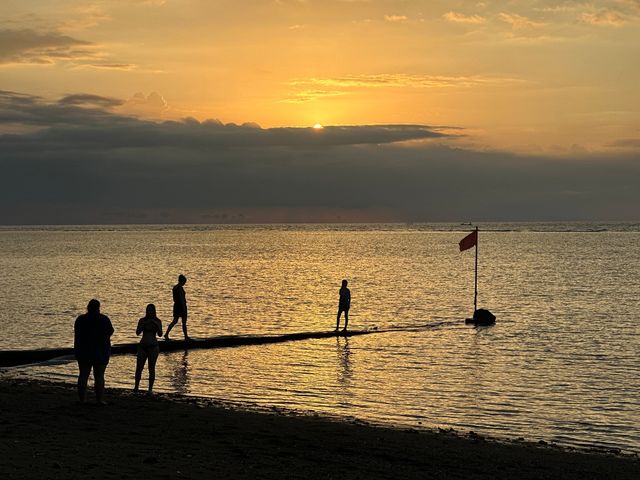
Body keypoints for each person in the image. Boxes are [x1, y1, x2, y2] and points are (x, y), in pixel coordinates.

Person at [74, 299, 114, 405]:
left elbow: (77, 335)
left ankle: (82, 400)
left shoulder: (80, 319)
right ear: (98, 308)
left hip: (84, 351)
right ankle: (99, 400)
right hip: (100, 351)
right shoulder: (104, 319)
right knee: (99, 376)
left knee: (83, 375)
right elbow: (110, 332)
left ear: (88, 307)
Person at [134, 304, 163, 393]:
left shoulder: (158, 321)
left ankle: (150, 389)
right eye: (148, 310)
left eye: (151, 310)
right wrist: (144, 324)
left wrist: (156, 325)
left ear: (154, 311)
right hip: (142, 346)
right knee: (139, 367)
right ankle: (136, 387)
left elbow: (160, 334)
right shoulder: (142, 320)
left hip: (153, 347)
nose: (149, 312)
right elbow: (137, 332)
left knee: (151, 368)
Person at [165, 274, 189, 341]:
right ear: (182, 281)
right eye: (184, 282)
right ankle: (186, 336)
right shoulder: (180, 288)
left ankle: (166, 334)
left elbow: (174, 298)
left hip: (176, 306)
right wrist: (184, 308)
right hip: (181, 306)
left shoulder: (174, 287)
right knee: (184, 322)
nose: (184, 283)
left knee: (175, 321)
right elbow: (182, 299)